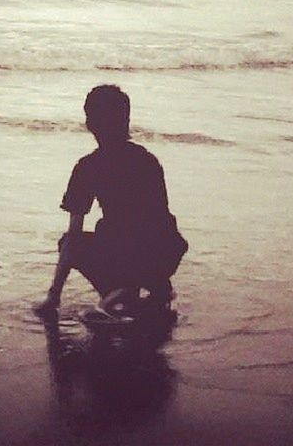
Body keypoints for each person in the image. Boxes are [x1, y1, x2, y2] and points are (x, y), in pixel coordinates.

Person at [34, 85, 187, 319]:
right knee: (126, 233)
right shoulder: (147, 160)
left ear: (90, 124)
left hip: (128, 251)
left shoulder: (88, 167)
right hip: (165, 252)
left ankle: (119, 291)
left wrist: (54, 296)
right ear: (126, 120)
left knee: (69, 242)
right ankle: (152, 285)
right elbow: (158, 217)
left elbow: (74, 235)